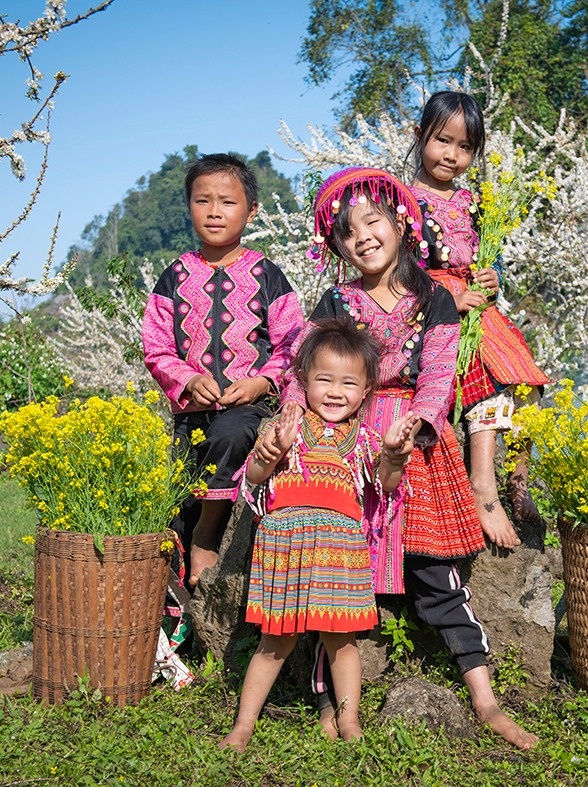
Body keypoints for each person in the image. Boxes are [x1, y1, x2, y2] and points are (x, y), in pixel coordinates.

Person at [296, 166, 538, 750]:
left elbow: (437, 373)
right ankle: (330, 699)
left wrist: (420, 423)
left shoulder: (434, 298)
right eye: (347, 232)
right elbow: (308, 367)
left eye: (373, 222)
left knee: (438, 578)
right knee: (335, 578)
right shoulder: (336, 301)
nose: (363, 238)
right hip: (349, 444)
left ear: (402, 224)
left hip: (419, 446)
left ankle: (485, 698)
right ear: (335, 245)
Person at [221, 319, 420, 752]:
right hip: (285, 546)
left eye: (349, 383)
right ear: (304, 381)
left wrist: (395, 456)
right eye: (324, 379)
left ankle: (349, 719)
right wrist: (269, 454)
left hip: (339, 550)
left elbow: (384, 484)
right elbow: (253, 477)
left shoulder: (364, 439)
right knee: (276, 640)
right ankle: (243, 725)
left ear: (366, 390)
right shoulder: (285, 429)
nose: (335, 391)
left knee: (342, 640)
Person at [143, 152, 305, 589]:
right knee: (172, 498)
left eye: (228, 202)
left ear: (251, 211)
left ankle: (208, 536)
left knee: (231, 437)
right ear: (188, 206)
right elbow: (156, 348)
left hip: (248, 409)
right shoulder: (174, 276)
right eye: (203, 200)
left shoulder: (267, 274)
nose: (215, 211)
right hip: (191, 412)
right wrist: (189, 380)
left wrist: (261, 381)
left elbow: (293, 343)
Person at [407, 91, 552, 547]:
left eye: (465, 147)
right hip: (430, 314)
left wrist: (493, 277)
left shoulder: (476, 202)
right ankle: (483, 486)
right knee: (480, 372)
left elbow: (493, 259)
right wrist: (449, 295)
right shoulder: (402, 203)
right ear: (419, 137)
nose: (452, 155)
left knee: (528, 379)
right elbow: (397, 270)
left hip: (480, 310)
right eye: (442, 141)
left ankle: (518, 480)